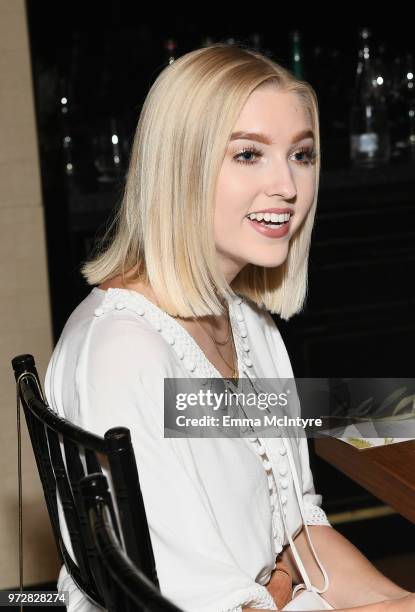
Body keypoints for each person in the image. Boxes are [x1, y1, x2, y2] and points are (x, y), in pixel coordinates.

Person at [45, 44, 415, 611]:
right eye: (248, 154)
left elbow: (299, 531)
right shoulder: (125, 352)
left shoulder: (245, 321)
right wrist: (281, 583)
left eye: (302, 154)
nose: (287, 187)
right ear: (179, 166)